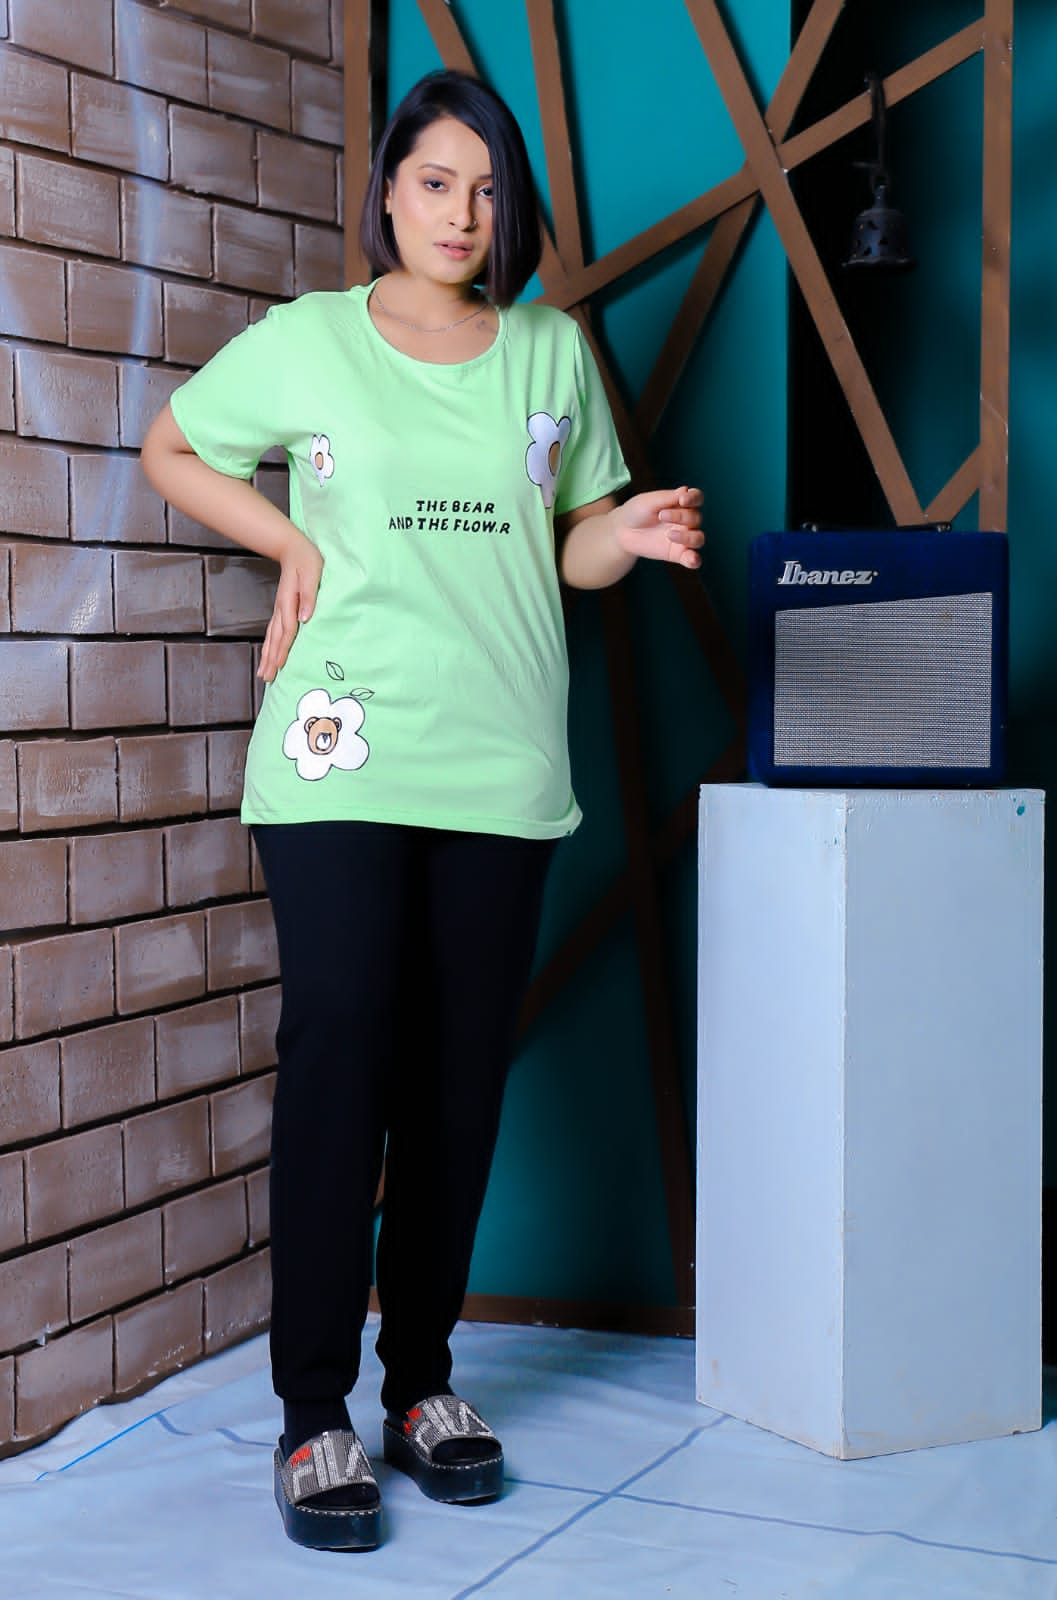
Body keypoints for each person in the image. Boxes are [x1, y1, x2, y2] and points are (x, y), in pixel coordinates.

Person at [141, 68, 703, 1552]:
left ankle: (423, 1385)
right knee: (339, 1053)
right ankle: (314, 1412)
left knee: (457, 1086)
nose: (463, 211)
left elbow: (566, 547)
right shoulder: (311, 341)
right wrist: (288, 546)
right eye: (437, 180)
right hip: (338, 761)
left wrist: (621, 530)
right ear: (387, 189)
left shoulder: (553, 354)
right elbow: (174, 447)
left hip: (498, 764)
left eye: (487, 187)